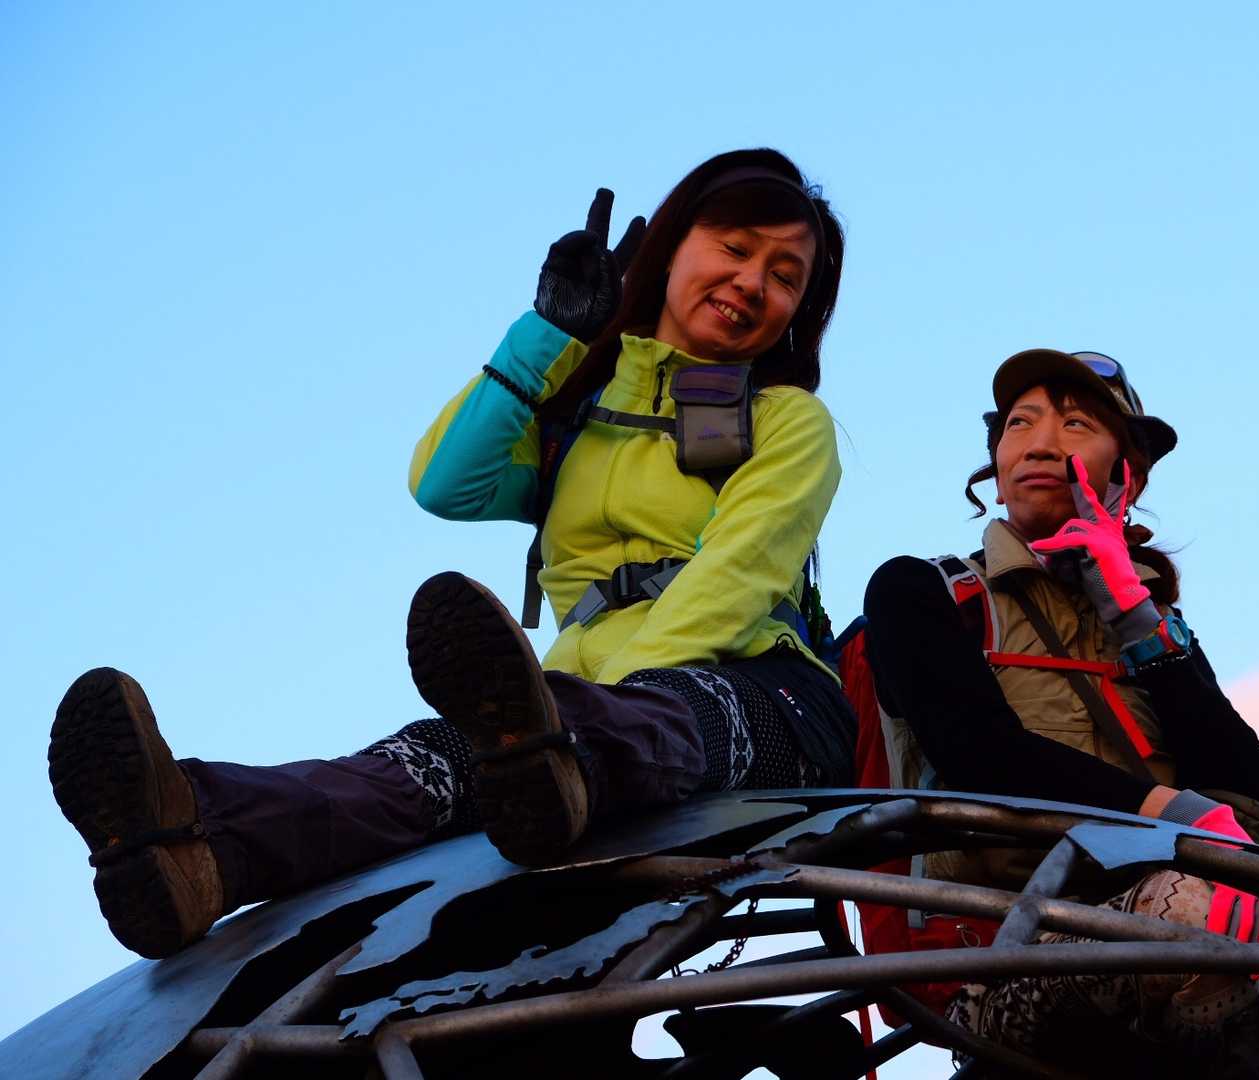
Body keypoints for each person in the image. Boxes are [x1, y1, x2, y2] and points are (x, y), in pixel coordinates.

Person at [48, 147, 856, 961]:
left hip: (763, 698)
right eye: (735, 248)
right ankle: (195, 843)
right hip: (567, 718)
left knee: (606, 728)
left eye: (785, 276)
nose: (753, 283)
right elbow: (446, 484)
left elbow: (734, 579)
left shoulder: (786, 420)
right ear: (673, 246)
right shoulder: (579, 414)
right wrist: (548, 336)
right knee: (422, 765)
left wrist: (576, 712)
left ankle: (558, 746)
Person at [861, 350, 1259, 1079]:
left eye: (1075, 425)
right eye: (1020, 425)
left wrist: (1132, 611)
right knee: (1194, 918)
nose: (1039, 444)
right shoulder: (921, 589)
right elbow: (979, 753)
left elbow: (1247, 779)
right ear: (996, 470)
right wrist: (1176, 813)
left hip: (1198, 927)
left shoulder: (1152, 626)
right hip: (1001, 956)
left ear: (1124, 477)